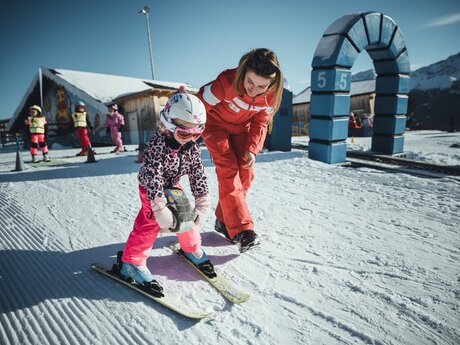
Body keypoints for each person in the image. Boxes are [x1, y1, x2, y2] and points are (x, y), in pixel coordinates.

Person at [119, 92, 214, 289]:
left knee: (186, 215)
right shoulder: (157, 145)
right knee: (150, 222)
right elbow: (153, 175)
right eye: (184, 133)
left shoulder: (191, 147)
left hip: (172, 184)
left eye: (196, 134)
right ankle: (131, 262)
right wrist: (159, 207)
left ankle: (191, 248)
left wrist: (202, 201)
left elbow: (197, 172)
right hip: (151, 188)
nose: (190, 139)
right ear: (169, 126)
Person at [197, 48, 284, 253]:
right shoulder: (225, 83)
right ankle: (242, 230)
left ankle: (224, 220)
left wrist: (252, 149)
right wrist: (184, 135)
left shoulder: (270, 97)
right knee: (228, 169)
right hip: (214, 126)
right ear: (243, 73)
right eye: (250, 82)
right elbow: (197, 108)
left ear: (272, 84)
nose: (254, 90)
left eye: (262, 86)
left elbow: (260, 124)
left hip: (240, 130)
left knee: (245, 172)